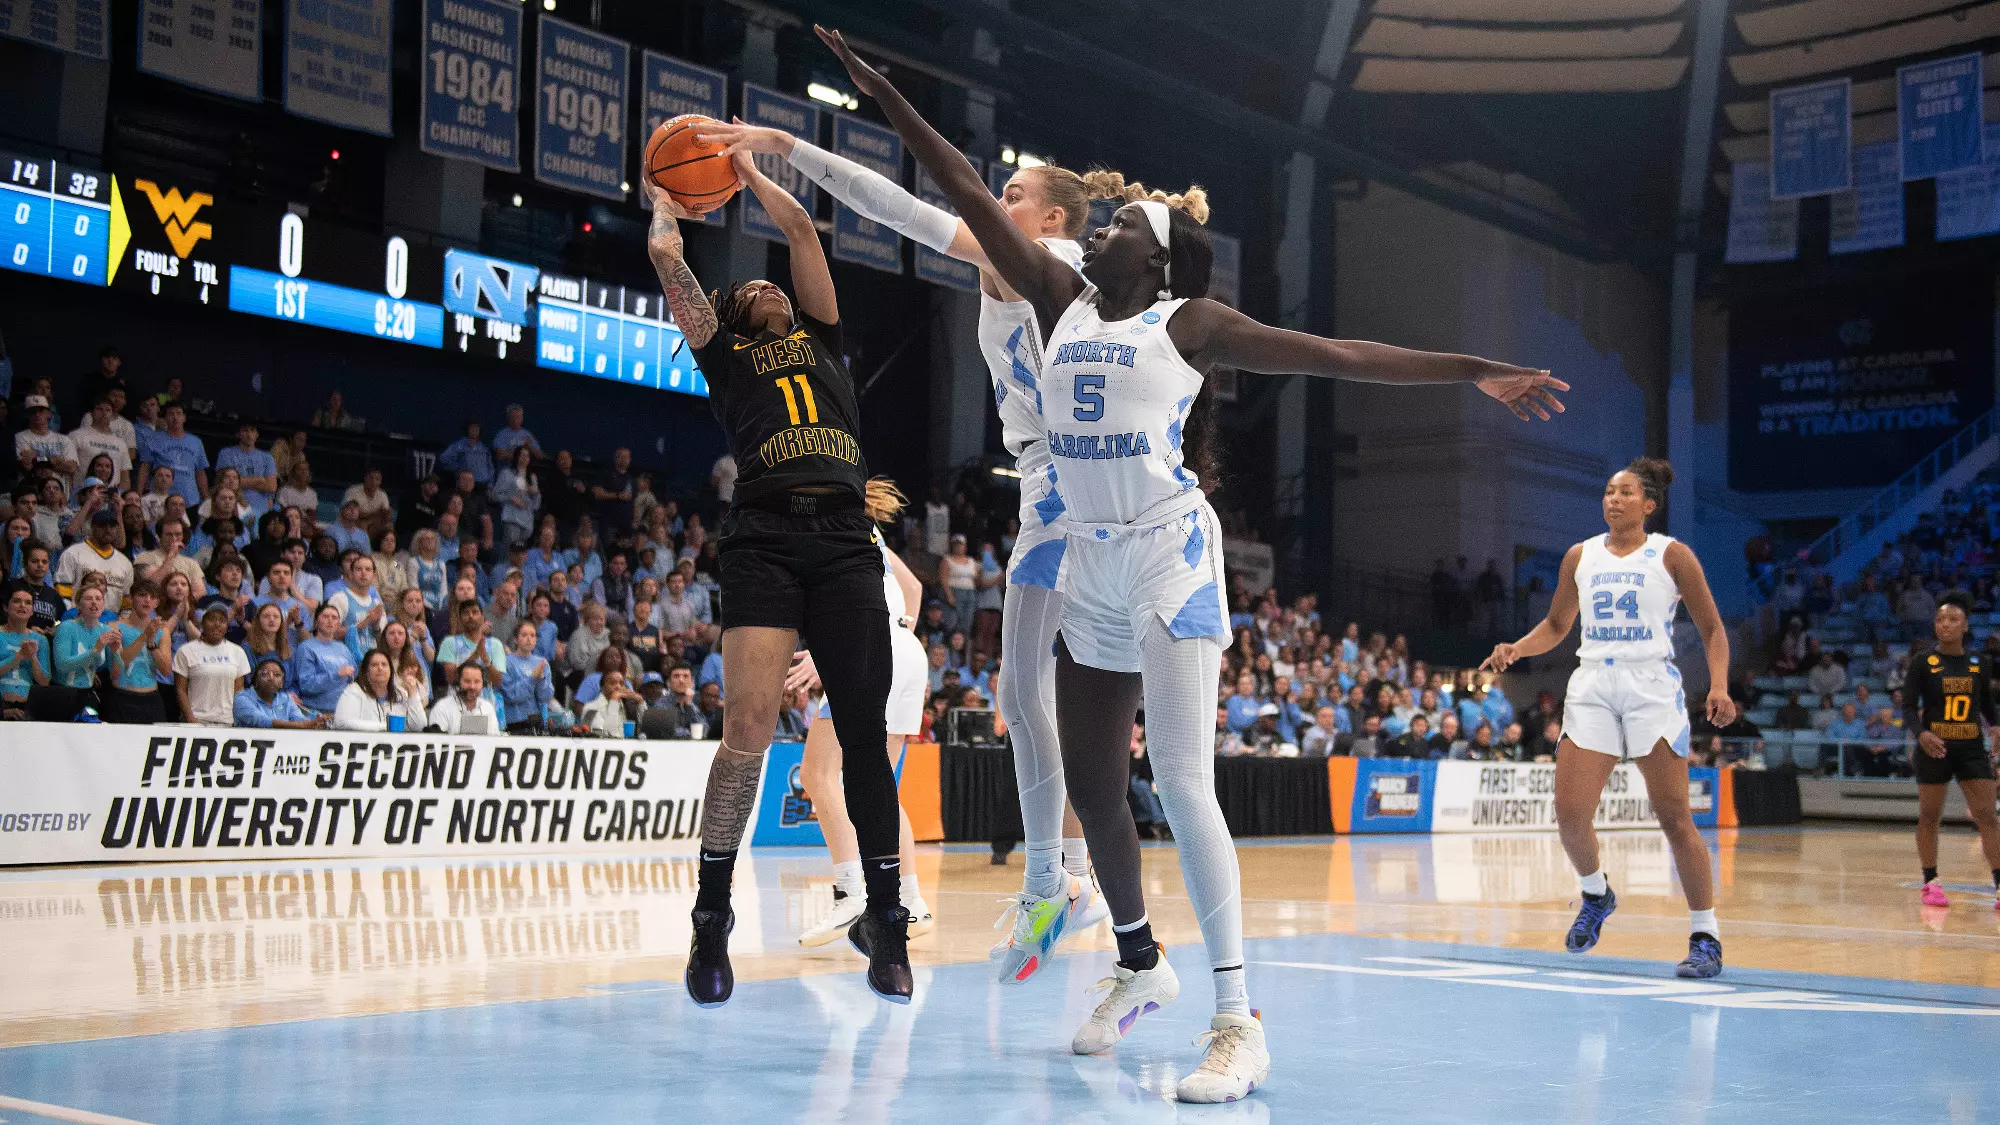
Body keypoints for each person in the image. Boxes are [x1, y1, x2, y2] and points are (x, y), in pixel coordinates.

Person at [817, 25, 1565, 1101]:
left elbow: (1344, 357)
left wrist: (1478, 369)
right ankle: (1136, 960)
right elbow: (959, 189)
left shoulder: (1191, 322)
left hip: (1171, 558)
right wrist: (881, 87)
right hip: (1087, 563)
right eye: (1105, 218)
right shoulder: (1053, 298)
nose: (1105, 228)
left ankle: (1235, 1018)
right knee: (1091, 784)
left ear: (1156, 258)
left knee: (1179, 779)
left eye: (1123, 223)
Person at [706, 103, 1116, 981]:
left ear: (1049, 217)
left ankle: (1071, 882)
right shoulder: (1034, 267)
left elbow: (900, 208)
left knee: (1057, 696)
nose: (991, 198)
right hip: (1051, 490)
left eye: (1010, 191)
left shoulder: (1039, 264)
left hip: (1086, 487)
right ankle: (1065, 880)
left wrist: (785, 146)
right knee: (1030, 694)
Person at [647, 147, 909, 1007]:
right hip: (761, 536)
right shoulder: (724, 355)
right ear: (729, 312)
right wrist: (666, 204)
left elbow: (799, 226)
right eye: (751, 289)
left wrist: (745, 168)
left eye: (776, 287)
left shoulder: (824, 339)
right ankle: (711, 917)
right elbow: (667, 261)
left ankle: (888, 921)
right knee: (750, 729)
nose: (769, 286)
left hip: (843, 539)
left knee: (863, 733)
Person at [1483, 458, 1733, 980]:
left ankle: (1705, 935)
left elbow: (1711, 628)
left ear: (1648, 504)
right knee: (1570, 812)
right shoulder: (1580, 555)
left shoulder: (1673, 555)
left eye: (1625, 493)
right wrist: (1517, 648)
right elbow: (1556, 625)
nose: (1613, 499)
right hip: (1593, 683)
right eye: (1608, 492)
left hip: (1651, 688)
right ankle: (1596, 895)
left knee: (1674, 817)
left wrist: (1720, 685)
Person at [789, 480, 937, 947]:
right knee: (879, 786)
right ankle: (910, 899)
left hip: (868, 643)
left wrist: (827, 649)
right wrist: (900, 634)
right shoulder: (872, 532)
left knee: (818, 773)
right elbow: (911, 587)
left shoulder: (828, 527)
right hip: (906, 649)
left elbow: (848, 596)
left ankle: (851, 891)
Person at [1903, 592, 2000, 907]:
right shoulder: (1923, 661)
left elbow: (1985, 703)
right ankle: (1930, 881)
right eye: (1940, 619)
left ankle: (1999, 884)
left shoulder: (1979, 663)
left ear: (1965, 625)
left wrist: (1995, 725)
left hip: (1971, 747)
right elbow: (1906, 708)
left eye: (1952, 619)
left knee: (1987, 815)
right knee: (1930, 815)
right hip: (1935, 748)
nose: (1945, 624)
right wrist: (1921, 734)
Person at [105, 578, 173, 722]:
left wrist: (151, 643)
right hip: (122, 697)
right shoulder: (114, 627)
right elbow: (118, 667)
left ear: (157, 603)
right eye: (142, 595)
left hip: (151, 698)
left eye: (152, 597)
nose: (147, 600)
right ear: (131, 598)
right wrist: (144, 636)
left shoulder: (162, 631)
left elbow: (166, 670)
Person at [172, 606, 251, 725]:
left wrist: (237, 718)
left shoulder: (237, 651)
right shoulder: (186, 651)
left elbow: (239, 691)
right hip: (197, 719)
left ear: (226, 627)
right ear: (202, 624)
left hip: (227, 721)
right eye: (212, 619)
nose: (217, 624)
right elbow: (180, 689)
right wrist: (190, 718)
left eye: (222, 621)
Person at [56, 508, 134, 610]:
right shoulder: (73, 553)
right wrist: (70, 617)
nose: (108, 530)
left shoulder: (125, 562)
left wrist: (122, 621)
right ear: (92, 527)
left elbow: (127, 601)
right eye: (102, 526)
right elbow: (62, 590)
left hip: (112, 622)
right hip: (79, 619)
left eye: (112, 526)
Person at [293, 603, 358, 715]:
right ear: (316, 622)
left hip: (342, 710)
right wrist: (337, 674)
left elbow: (353, 677)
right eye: (325, 616)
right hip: (315, 712)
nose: (330, 620)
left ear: (338, 624)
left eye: (334, 617)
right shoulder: (306, 648)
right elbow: (306, 685)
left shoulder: (343, 648)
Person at [233, 657, 326, 729]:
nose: (271, 678)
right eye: (264, 674)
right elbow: (262, 721)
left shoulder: (285, 699)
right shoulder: (242, 698)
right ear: (255, 680)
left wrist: (315, 722)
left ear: (282, 683)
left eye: (277, 675)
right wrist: (303, 725)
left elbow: (299, 719)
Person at [334, 649, 415, 732]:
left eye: (384, 665)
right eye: (374, 665)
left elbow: (418, 726)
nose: (380, 668)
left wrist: (413, 695)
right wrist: (385, 727)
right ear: (366, 671)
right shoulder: (354, 691)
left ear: (391, 670)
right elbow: (342, 722)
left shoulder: (400, 694)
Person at [0, 582, 49, 717]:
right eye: (17, 601)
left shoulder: (41, 640)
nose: (22, 606)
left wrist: (33, 657)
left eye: (28, 603)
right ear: (6, 607)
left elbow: (44, 682)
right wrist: (19, 656)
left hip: (29, 707)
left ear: (32, 610)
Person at [500, 620, 553, 732]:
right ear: (515, 639)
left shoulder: (542, 663)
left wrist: (542, 680)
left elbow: (545, 697)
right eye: (524, 635)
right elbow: (511, 695)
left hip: (535, 720)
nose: (529, 639)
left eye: (532, 635)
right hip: (514, 721)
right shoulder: (506, 662)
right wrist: (532, 679)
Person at [428, 663, 500, 734]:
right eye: (467, 681)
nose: (472, 686)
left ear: (483, 684)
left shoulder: (488, 708)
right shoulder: (442, 707)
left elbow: (495, 739)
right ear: (458, 682)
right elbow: (437, 742)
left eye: (477, 682)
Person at [493, 445, 540, 548]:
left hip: (527, 522)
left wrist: (535, 493)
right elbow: (495, 495)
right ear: (516, 457)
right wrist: (510, 498)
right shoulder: (506, 473)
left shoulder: (532, 477)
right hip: (512, 518)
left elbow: (536, 505)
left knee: (521, 554)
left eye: (527, 456)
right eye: (521, 455)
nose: (524, 458)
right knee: (511, 550)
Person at [580, 668, 645, 737]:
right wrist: (614, 702)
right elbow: (609, 735)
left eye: (621, 683)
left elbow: (645, 728)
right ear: (602, 687)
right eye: (612, 683)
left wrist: (641, 703)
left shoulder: (628, 706)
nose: (618, 687)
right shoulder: (591, 708)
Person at [437, 421, 493, 486]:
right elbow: (443, 458)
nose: (475, 430)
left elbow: (490, 468)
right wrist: (458, 469)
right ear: (467, 429)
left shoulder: (484, 448)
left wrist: (490, 485)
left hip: (482, 485)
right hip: (465, 485)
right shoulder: (458, 445)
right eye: (472, 428)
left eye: (477, 428)